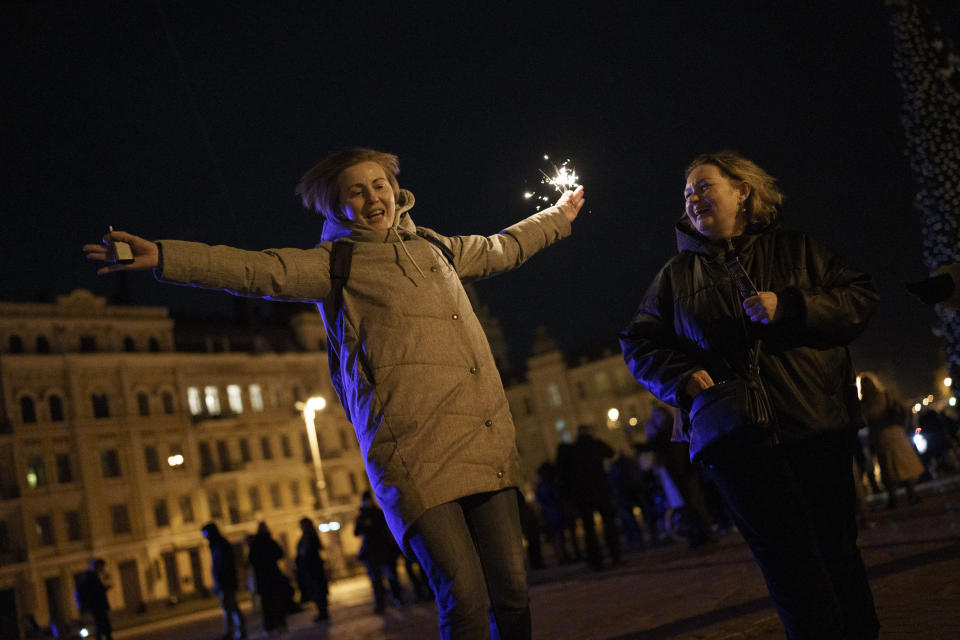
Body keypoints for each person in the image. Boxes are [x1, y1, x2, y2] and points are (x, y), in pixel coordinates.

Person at [84, 147, 584, 639]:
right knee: (464, 596)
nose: (373, 199)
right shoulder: (333, 265)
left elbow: (505, 246)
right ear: (335, 206)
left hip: (482, 438)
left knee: (514, 591)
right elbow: (252, 270)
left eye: (380, 186)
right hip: (413, 455)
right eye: (357, 192)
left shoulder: (437, 247)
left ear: (396, 191)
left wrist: (558, 216)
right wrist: (164, 255)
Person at [620, 151, 880, 639]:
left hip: (814, 425)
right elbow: (637, 342)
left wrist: (794, 306)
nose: (693, 199)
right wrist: (680, 375)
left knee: (837, 553)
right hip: (738, 444)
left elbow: (861, 297)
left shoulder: (797, 248)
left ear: (742, 190)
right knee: (785, 566)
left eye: (703, 186)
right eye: (687, 193)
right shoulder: (676, 276)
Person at [858, 372, 924, 509]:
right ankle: (911, 494)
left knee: (887, 469)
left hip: (879, 437)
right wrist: (903, 425)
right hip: (895, 433)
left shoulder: (864, 404)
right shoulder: (886, 396)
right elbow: (905, 410)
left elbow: (864, 422)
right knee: (903, 465)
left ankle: (893, 499)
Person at [559, 424, 620, 570]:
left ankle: (595, 560)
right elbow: (611, 452)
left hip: (583, 495)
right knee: (609, 524)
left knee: (589, 529)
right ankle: (615, 554)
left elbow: (564, 472)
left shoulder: (573, 449)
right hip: (600, 491)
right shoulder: (595, 444)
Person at [354, 490, 405, 613]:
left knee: (391, 576)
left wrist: (371, 524)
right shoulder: (361, 515)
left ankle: (397, 598)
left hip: (384, 549)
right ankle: (381, 603)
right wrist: (364, 524)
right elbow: (356, 532)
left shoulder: (378, 513)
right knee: (376, 580)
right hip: (371, 551)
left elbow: (385, 526)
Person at [202, 522, 247, 640]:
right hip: (224, 583)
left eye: (205, 533)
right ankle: (234, 631)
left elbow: (224, 566)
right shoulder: (217, 545)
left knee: (231, 607)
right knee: (229, 607)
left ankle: (236, 631)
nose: (204, 536)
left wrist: (221, 582)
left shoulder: (221, 545)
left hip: (226, 583)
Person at [247, 522, 292, 637]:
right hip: (273, 577)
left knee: (267, 605)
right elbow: (280, 553)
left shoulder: (255, 544)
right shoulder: (270, 541)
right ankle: (281, 625)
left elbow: (251, 561)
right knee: (277, 603)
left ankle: (269, 627)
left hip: (263, 579)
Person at [295, 517, 330, 623]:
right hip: (311, 568)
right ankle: (322, 611)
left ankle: (323, 612)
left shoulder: (310, 536)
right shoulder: (308, 536)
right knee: (316, 590)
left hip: (313, 568)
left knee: (318, 590)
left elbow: (310, 551)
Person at [74, 558, 112, 640]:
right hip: (97, 607)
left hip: (97, 607)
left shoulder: (92, 578)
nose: (103, 569)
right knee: (103, 626)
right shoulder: (92, 578)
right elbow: (95, 593)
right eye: (102, 567)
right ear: (97, 567)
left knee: (102, 627)